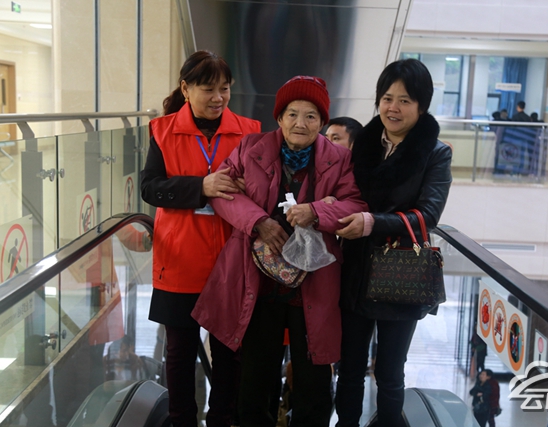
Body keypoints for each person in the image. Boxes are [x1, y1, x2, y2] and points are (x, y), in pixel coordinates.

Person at [192, 75, 368, 427]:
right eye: (292, 114)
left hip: (313, 284)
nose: (300, 123)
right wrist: (258, 221)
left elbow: (356, 204)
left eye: (311, 116)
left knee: (313, 381)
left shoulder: (340, 159)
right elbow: (222, 192)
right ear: (279, 117)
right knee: (255, 379)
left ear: (322, 122)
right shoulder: (250, 147)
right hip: (258, 282)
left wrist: (316, 212)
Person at [140, 50, 261, 427]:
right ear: (185, 89)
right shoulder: (162, 130)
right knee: (179, 353)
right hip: (179, 259)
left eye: (225, 88)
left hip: (232, 259)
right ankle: (181, 420)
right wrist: (201, 187)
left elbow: (264, 189)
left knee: (229, 351)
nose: (218, 98)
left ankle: (221, 419)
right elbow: (150, 188)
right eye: (208, 89)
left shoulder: (250, 131)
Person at [334, 58, 452, 427]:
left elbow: (427, 216)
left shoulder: (435, 153)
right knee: (349, 367)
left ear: (422, 106)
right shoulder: (363, 144)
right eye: (387, 98)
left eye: (404, 100)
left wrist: (372, 222)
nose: (393, 108)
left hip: (400, 272)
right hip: (354, 270)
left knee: (389, 371)